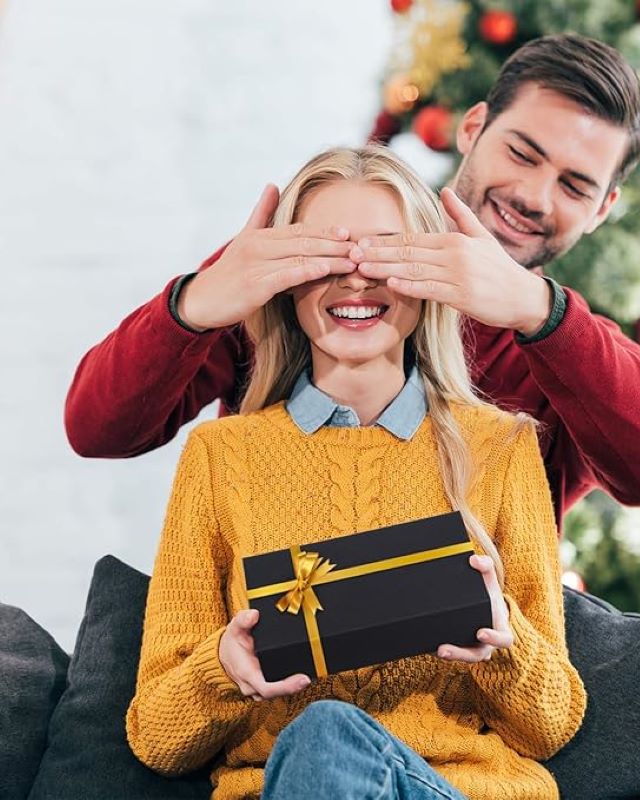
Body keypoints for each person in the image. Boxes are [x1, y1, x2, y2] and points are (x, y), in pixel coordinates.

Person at [69, 34, 640, 798]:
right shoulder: (301, 302)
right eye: (523, 153)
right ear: (473, 128)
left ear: (604, 208)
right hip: (295, 765)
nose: (536, 196)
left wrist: (536, 311)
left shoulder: (546, 371)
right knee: (322, 745)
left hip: (467, 756)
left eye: (575, 185)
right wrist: (202, 299)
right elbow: (99, 427)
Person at [126, 145, 586, 800]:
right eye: (328, 256)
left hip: (455, 790)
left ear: (429, 276)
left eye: (386, 255)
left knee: (323, 734)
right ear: (285, 282)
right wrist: (222, 670)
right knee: (320, 738)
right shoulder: (221, 457)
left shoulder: (501, 449)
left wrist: (503, 636)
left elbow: (553, 725)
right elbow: (156, 739)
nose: (357, 280)